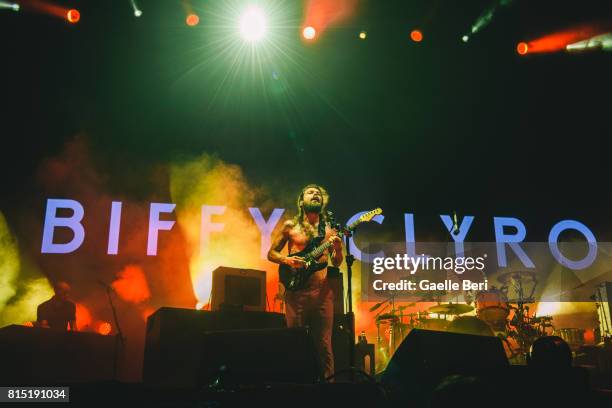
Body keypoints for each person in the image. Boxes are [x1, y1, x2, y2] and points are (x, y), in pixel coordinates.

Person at [267, 184, 343, 380]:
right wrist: (287, 260)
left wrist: (339, 249)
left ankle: (329, 388)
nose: (315, 194)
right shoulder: (290, 226)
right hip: (296, 293)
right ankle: (296, 387)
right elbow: (271, 253)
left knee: (324, 344)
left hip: (323, 293)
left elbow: (336, 262)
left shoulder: (329, 229)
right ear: (301, 201)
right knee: (295, 341)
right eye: (310, 192)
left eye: (318, 193)